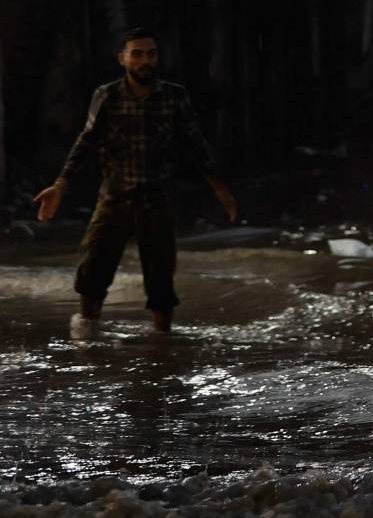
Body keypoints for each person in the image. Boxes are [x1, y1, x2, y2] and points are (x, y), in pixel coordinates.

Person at [33, 28, 237, 338]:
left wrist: (220, 188)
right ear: (123, 59)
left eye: (151, 54)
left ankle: (163, 344)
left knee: (160, 283)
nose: (145, 61)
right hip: (114, 198)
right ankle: (86, 338)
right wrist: (60, 185)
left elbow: (194, 143)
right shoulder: (107, 95)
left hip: (158, 199)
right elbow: (87, 141)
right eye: (137, 54)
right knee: (92, 271)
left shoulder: (173, 96)